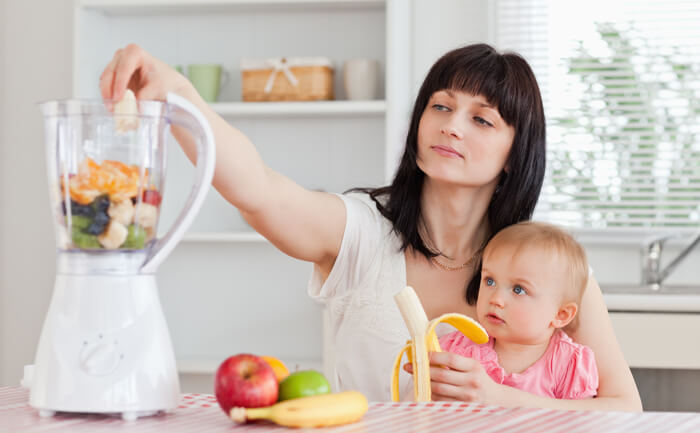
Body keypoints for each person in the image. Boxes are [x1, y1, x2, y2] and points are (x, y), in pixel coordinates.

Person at [100, 43, 642, 410]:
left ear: (515, 153)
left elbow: (624, 410)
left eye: (480, 118)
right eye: (440, 106)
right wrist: (178, 98)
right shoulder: (359, 232)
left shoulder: (553, 274)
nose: (451, 126)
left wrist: (504, 401)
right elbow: (259, 190)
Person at [434, 221, 598, 400]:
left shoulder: (568, 364)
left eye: (518, 289)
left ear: (561, 314)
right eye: (489, 281)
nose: (495, 299)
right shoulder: (458, 349)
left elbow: (582, 422)